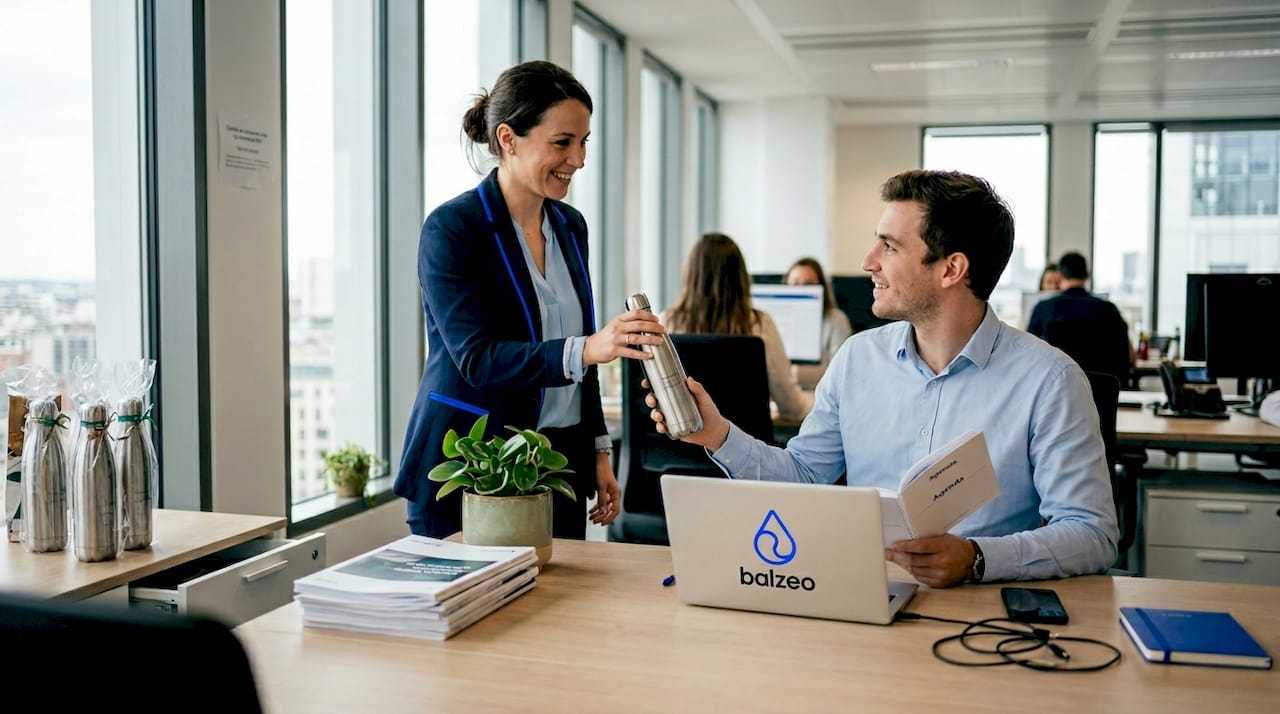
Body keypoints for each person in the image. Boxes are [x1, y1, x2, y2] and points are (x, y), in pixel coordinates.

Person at [647, 170, 1118, 588]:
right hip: (863, 593)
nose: (869, 261)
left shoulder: (1050, 380)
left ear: (951, 268)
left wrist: (977, 558)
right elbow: (806, 476)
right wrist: (718, 434)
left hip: (983, 614)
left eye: (889, 246)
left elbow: (1092, 534)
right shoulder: (857, 360)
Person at [395, 60, 665, 539]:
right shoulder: (454, 229)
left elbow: (581, 353)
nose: (578, 159)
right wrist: (587, 348)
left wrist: (600, 449)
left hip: (556, 465)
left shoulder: (569, 226)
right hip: (473, 468)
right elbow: (477, 359)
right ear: (507, 138)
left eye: (583, 142)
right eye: (562, 142)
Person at [663, 233, 814, 423]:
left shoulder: (665, 324)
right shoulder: (759, 324)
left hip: (677, 446)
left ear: (689, 276)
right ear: (741, 278)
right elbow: (791, 407)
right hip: (742, 448)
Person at [1025, 251, 1134, 388]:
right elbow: (1126, 360)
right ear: (1087, 274)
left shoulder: (1042, 309)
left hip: (1056, 393)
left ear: (1060, 276)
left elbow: (1029, 357)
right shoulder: (1109, 310)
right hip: (1102, 398)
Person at [785, 256, 854, 389]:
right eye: (795, 284)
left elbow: (840, 371)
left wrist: (795, 373)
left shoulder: (836, 319)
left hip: (818, 394)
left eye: (808, 284)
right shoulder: (775, 319)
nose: (801, 290)